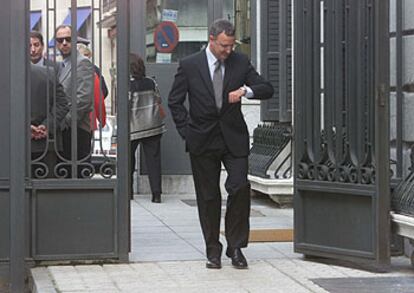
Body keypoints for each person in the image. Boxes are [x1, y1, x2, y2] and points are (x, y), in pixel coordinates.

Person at [168, 19, 274, 269]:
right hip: (202, 139)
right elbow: (175, 102)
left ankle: (235, 247)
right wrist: (187, 132)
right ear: (212, 40)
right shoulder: (190, 64)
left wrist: (245, 92)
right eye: (224, 46)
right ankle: (212, 250)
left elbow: (266, 88)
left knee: (239, 188)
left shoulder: (240, 62)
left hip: (233, 137)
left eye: (231, 45)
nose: (228, 51)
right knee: (208, 196)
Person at [55, 25, 94, 175]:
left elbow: (83, 98)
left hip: (76, 130)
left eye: (68, 39)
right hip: (63, 131)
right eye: (60, 40)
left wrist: (65, 121)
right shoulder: (61, 65)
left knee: (77, 177)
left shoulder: (82, 62)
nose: (64, 43)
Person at [129, 53, 166, 203]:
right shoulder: (151, 82)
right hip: (153, 126)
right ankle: (156, 194)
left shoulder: (128, 84)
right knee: (154, 160)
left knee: (128, 161)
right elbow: (159, 99)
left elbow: (125, 105)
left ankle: (128, 192)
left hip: (133, 127)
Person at [30, 64, 69, 177]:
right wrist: (46, 126)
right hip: (46, 144)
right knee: (45, 190)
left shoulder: (5, 75)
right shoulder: (48, 73)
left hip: (11, 146)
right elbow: (62, 104)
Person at [77, 43, 107, 131]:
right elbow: (99, 98)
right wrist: (102, 119)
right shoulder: (91, 73)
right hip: (88, 120)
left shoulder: (63, 70)